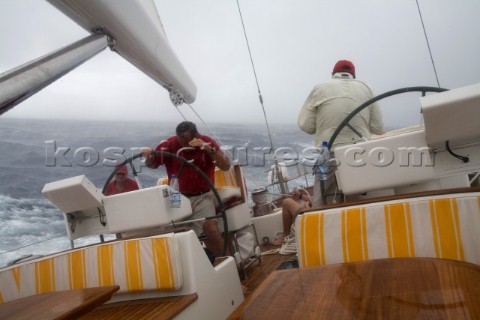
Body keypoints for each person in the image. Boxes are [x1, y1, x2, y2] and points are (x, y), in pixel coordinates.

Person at [298, 60, 384, 205]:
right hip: (360, 154)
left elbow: (306, 125)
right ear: (353, 75)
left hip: (329, 153)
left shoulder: (320, 88)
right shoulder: (367, 88)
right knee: (355, 200)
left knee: (321, 202)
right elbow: (377, 127)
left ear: (333, 75)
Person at [142, 121, 231, 257]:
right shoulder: (170, 144)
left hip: (203, 197)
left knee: (210, 229)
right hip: (177, 197)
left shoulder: (207, 142)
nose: (182, 144)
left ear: (196, 136)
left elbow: (225, 166)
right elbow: (152, 163)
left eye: (186, 140)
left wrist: (209, 150)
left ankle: (227, 264)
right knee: (171, 233)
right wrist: (149, 157)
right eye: (180, 139)